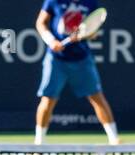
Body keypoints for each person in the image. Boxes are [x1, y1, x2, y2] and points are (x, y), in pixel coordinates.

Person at [34, 2, 119, 145]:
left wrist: (84, 34)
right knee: (48, 99)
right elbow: (41, 23)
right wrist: (51, 40)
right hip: (56, 60)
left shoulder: (90, 2)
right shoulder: (53, 1)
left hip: (82, 59)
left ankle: (114, 140)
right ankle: (39, 143)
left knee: (97, 98)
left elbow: (93, 31)